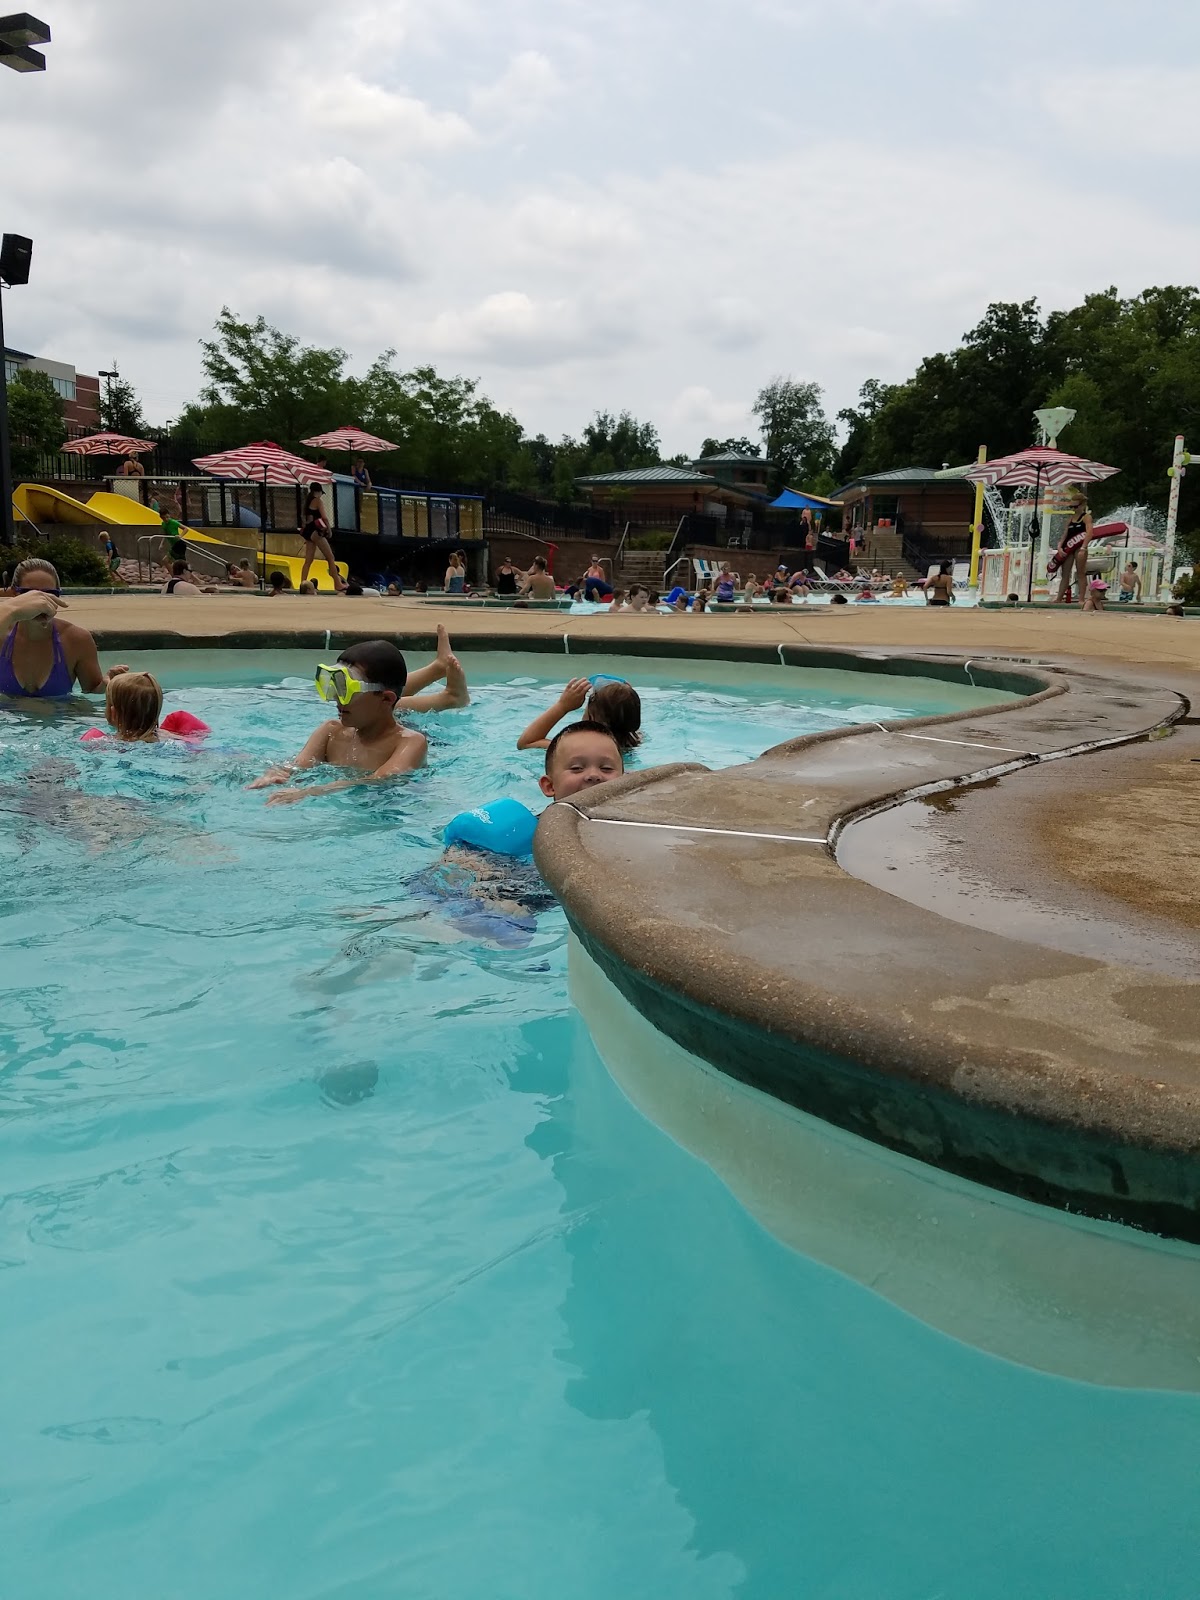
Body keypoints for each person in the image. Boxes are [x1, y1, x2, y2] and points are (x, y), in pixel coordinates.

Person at [249, 630, 469, 803]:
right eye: (335, 687)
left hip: (426, 748)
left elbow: (377, 781)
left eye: (346, 690)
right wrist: (274, 773)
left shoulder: (411, 742)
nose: (337, 699)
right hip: (385, 706)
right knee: (398, 705)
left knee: (401, 708)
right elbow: (297, 767)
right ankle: (441, 677)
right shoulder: (331, 731)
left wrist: (310, 792)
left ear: (384, 700)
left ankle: (451, 695)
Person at [0, 560, 128, 698]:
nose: (41, 603)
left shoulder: (76, 640)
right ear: (14, 595)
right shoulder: (1, 634)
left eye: (51, 594)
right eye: (30, 594)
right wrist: (10, 610)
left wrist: (106, 683)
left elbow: (92, 692)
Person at [518, 676, 642, 755]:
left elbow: (526, 743)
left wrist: (562, 706)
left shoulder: (578, 746)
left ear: (591, 717)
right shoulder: (635, 739)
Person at [300, 482, 345, 593]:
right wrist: (329, 530)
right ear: (318, 491)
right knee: (330, 557)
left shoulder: (307, 501)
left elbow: (304, 518)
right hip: (316, 531)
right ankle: (337, 583)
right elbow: (324, 517)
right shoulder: (318, 501)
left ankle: (303, 583)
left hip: (308, 531)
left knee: (308, 560)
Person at [1055, 495, 1093, 604]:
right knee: (1065, 573)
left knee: (1081, 572)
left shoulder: (1086, 517)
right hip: (1069, 547)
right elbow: (1065, 535)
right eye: (1072, 507)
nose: (1074, 509)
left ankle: (1081, 599)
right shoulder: (1070, 519)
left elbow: (1089, 533)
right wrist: (1059, 547)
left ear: (1083, 505)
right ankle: (1059, 598)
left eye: (1076, 506)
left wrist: (1084, 547)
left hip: (1080, 547)